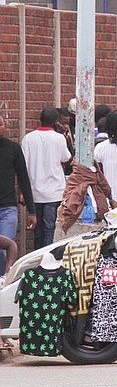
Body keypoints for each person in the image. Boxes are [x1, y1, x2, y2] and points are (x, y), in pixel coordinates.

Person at [21, 107, 72, 249]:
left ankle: (38, 259)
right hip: (54, 192)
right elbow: (67, 159)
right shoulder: (59, 138)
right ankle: (47, 261)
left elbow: (22, 167)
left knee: (37, 232)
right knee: (49, 229)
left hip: (34, 193)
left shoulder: (28, 139)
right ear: (56, 122)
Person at [0, 114, 36, 274]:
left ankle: (3, 283)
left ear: (4, 126)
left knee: (4, 250)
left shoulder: (13, 148)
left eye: (1, 124)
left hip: (7, 209)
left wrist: (32, 211)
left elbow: (23, 178)